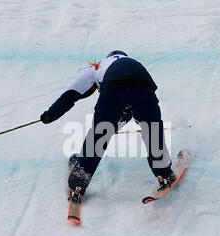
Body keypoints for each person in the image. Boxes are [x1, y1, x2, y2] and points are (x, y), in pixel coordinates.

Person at [40, 50, 175, 200]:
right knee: (152, 129)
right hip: (143, 84)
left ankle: (78, 182)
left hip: (114, 86)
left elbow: (69, 95)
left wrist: (50, 115)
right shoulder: (132, 63)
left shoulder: (97, 68)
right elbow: (133, 103)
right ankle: (164, 172)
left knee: (100, 133)